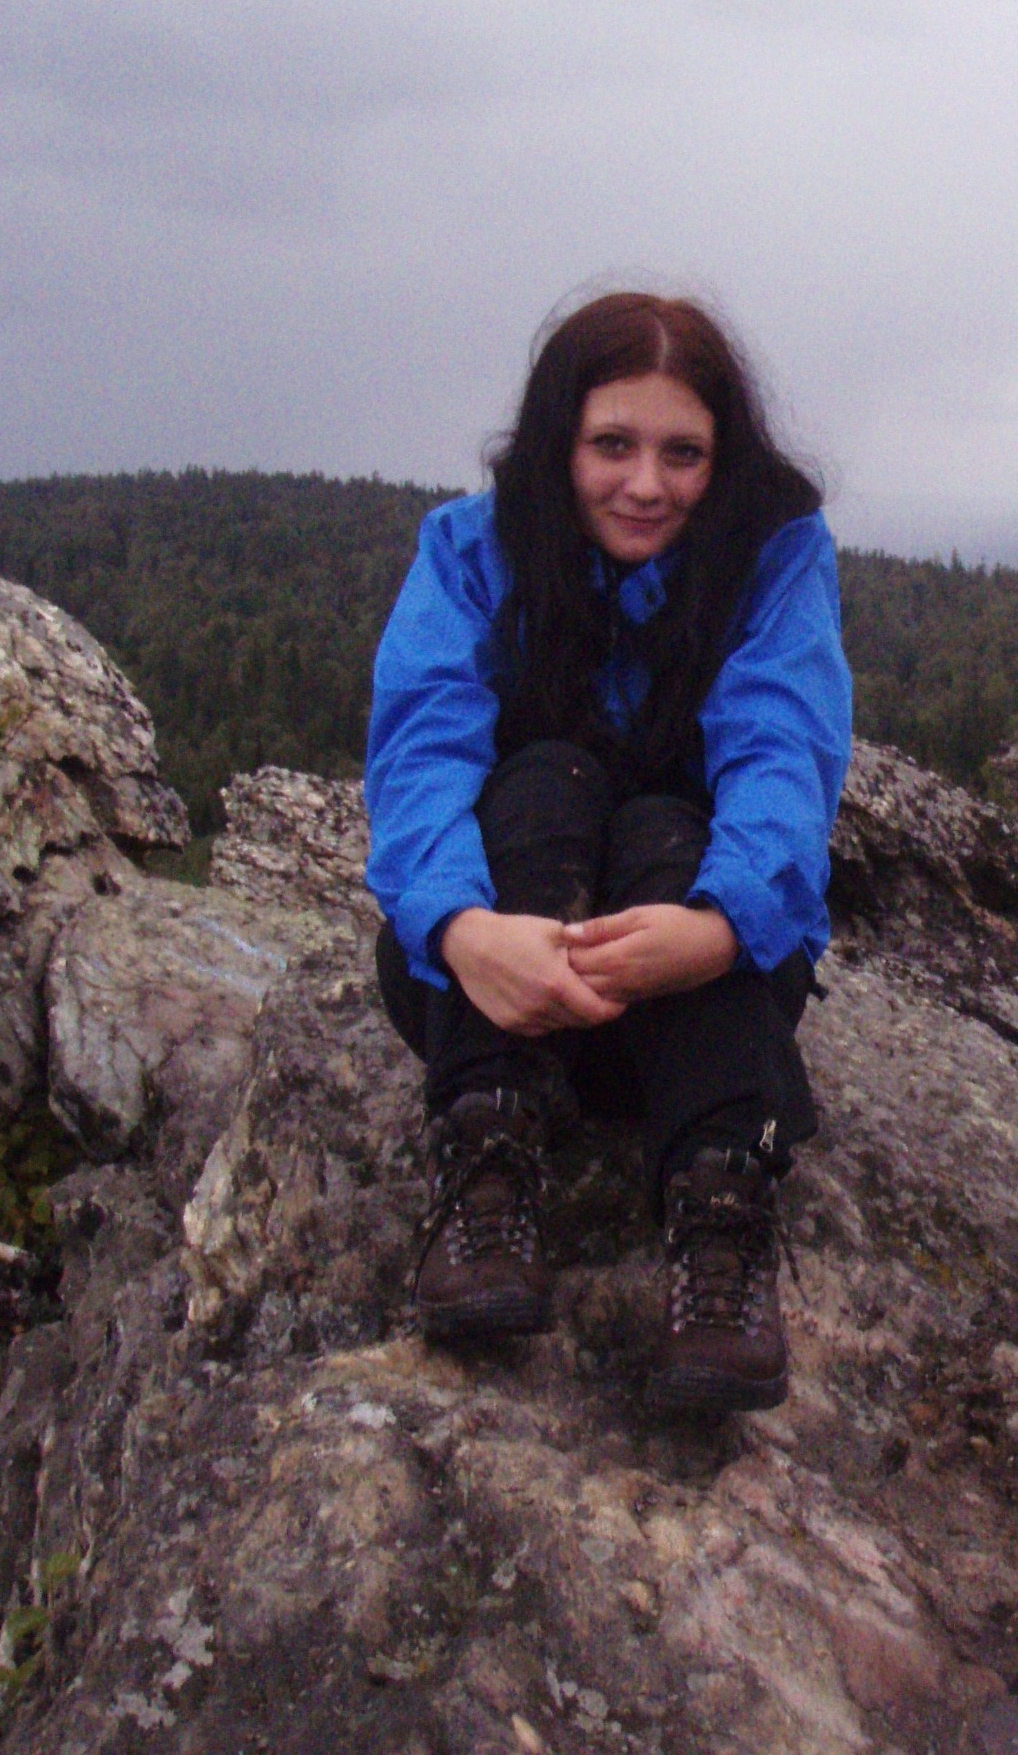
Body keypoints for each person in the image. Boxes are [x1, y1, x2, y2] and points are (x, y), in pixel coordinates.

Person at [365, 291, 851, 1412]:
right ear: (560, 442)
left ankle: (719, 1215)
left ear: (724, 458)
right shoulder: (473, 548)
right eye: (612, 445)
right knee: (544, 778)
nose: (646, 484)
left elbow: (783, 746)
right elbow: (422, 745)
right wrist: (462, 930)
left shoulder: (771, 556)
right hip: (490, 987)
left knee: (664, 831)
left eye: (684, 453)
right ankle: (489, 1154)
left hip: (692, 995)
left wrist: (720, 925)